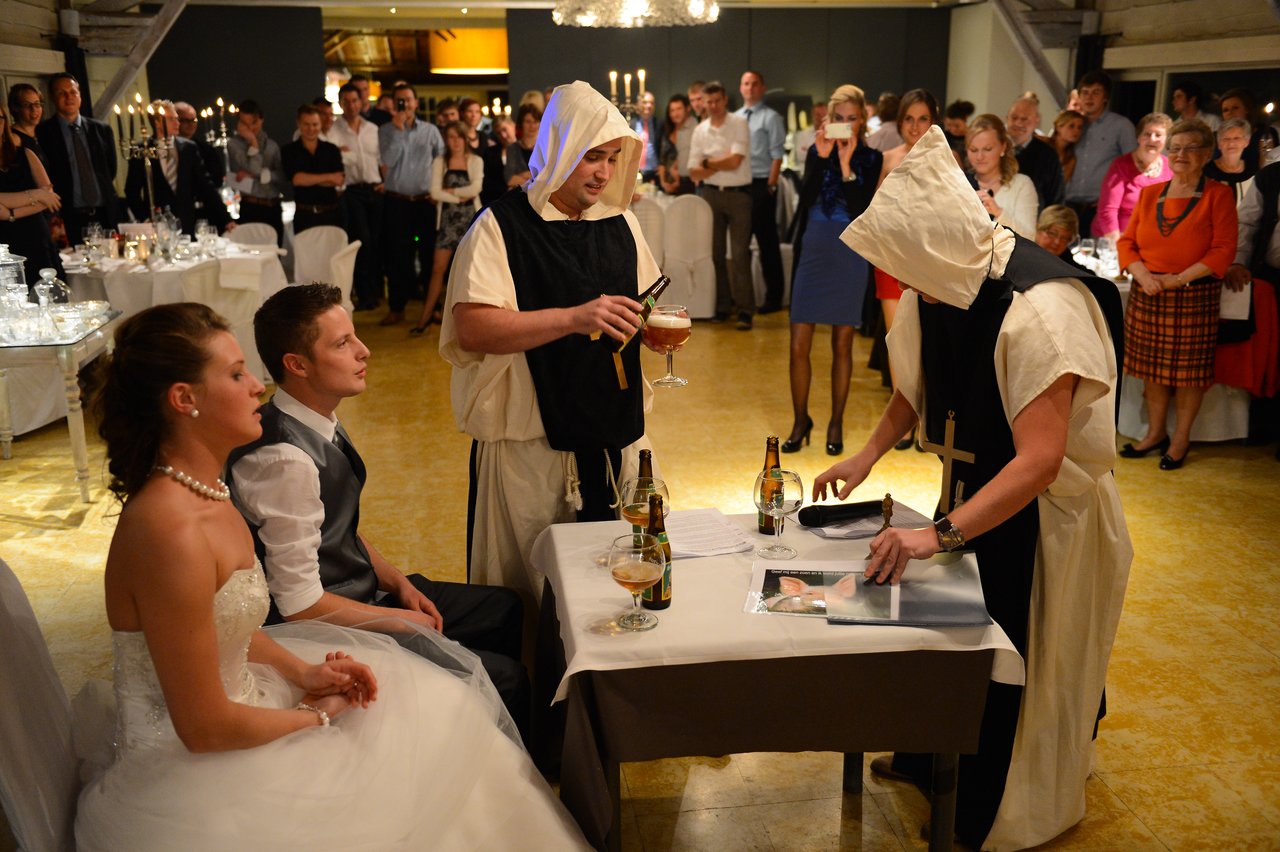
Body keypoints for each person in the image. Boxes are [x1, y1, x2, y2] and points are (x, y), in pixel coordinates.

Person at [75, 302, 587, 851]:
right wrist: (312, 717)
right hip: (198, 769)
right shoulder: (167, 532)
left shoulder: (208, 492)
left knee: (437, 722)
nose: (256, 386)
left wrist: (305, 672)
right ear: (184, 399)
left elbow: (231, 630)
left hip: (249, 703)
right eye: (235, 374)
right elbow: (202, 729)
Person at [815, 125, 1131, 851]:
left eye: (910, 273)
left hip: (1047, 518)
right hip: (975, 491)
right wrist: (865, 457)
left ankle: (999, 808)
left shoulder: (1040, 307)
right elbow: (919, 388)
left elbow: (1041, 461)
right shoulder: (945, 278)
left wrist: (940, 533)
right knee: (953, 639)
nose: (910, 291)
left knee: (1022, 660)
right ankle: (937, 762)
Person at [226, 284, 530, 731]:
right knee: (509, 679)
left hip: (356, 588)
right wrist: (398, 619)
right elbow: (297, 605)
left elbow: (338, 525)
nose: (364, 351)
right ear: (297, 365)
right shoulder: (283, 459)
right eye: (343, 343)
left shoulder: (313, 417)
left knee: (504, 607)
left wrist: (399, 582)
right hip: (316, 628)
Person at [439, 80, 661, 602]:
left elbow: (647, 302)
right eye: (591, 158)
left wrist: (652, 330)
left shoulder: (621, 221)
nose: (604, 172)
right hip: (532, 442)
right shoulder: (500, 226)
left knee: (619, 577)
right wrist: (572, 317)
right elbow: (472, 326)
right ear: (560, 148)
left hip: (615, 430)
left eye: (611, 158)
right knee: (532, 585)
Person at [1118, 119, 1238, 470]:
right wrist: (1142, 273)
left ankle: (1180, 439)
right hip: (1148, 292)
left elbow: (1223, 250)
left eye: (1190, 148)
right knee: (1152, 373)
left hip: (1193, 294)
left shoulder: (1218, 194)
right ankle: (1155, 434)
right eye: (1176, 147)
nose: (1181, 154)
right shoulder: (1150, 193)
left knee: (1189, 377)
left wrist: (1178, 279)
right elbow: (1127, 242)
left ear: (1206, 154)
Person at [783, 85, 881, 457]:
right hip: (814, 246)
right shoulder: (815, 151)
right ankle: (800, 420)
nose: (844, 125)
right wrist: (822, 159)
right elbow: (805, 199)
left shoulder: (871, 158)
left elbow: (863, 208)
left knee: (842, 343)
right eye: (837, 119)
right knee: (798, 342)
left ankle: (836, 421)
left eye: (851, 119)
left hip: (850, 250)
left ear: (862, 121)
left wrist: (844, 165)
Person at [877, 88, 943, 450]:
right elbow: (874, 213)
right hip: (892, 258)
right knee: (896, 341)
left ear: (933, 121)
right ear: (900, 122)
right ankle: (901, 424)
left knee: (928, 340)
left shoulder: (945, 157)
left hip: (930, 259)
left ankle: (928, 421)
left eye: (923, 118)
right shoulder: (888, 159)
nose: (916, 127)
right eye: (909, 119)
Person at [689, 81, 755, 329]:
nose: (713, 106)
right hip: (711, 194)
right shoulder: (700, 130)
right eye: (709, 102)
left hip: (739, 195)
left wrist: (708, 163)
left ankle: (746, 310)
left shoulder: (739, 123)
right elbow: (693, 170)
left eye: (717, 101)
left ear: (725, 99)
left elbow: (736, 161)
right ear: (703, 103)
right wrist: (717, 162)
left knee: (739, 254)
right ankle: (723, 306)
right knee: (715, 253)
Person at [378, 82, 444, 326]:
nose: (404, 104)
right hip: (397, 202)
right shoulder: (385, 130)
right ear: (394, 104)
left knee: (428, 256)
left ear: (416, 102)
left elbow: (442, 161)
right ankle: (397, 308)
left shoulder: (430, 131)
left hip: (425, 201)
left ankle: (433, 307)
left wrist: (438, 189)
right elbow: (387, 160)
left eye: (408, 99)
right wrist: (398, 131)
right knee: (398, 257)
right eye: (399, 100)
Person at [413, 122, 482, 334]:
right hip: (447, 221)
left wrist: (449, 190)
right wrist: (459, 195)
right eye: (450, 137)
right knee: (437, 270)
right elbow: (434, 192)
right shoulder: (440, 161)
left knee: (472, 272)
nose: (455, 141)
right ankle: (424, 318)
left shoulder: (476, 160)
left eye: (459, 137)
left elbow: (476, 189)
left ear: (465, 138)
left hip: (471, 220)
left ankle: (473, 321)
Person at [124, 99, 230, 236]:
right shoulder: (142, 150)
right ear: (157, 122)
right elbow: (131, 190)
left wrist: (226, 219)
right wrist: (145, 218)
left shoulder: (188, 147)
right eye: (172, 119)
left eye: (177, 119)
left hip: (187, 223)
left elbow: (206, 186)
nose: (178, 123)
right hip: (158, 225)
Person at [35, 73, 119, 245]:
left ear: (80, 95)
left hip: (105, 215)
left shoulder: (101, 129)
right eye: (61, 93)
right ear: (52, 97)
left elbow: (110, 170)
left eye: (73, 92)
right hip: (68, 217)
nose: (69, 97)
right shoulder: (43, 133)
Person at [329, 82, 384, 311]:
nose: (351, 106)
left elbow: (382, 159)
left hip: (375, 189)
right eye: (346, 101)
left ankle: (378, 291)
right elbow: (334, 161)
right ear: (340, 104)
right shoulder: (333, 131)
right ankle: (365, 295)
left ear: (361, 102)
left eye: (355, 101)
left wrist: (384, 182)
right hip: (352, 192)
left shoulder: (373, 129)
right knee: (362, 242)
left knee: (378, 241)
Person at [736, 70, 787, 314]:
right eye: (746, 83)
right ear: (740, 88)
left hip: (761, 183)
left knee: (767, 244)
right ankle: (742, 299)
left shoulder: (771, 117)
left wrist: (771, 185)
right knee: (740, 244)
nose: (750, 88)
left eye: (755, 84)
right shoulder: (734, 118)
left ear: (762, 88)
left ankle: (773, 298)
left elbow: (778, 154)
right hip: (739, 184)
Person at [1064, 70, 1137, 236]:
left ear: (1105, 97)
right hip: (1068, 206)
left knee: (1095, 259)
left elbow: (1132, 168)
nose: (1089, 98)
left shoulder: (1121, 125)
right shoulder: (1072, 124)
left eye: (1096, 92)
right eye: (1085, 93)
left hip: (1100, 209)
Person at [0, 102, 63, 285]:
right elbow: (42, 195)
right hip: (2, 242)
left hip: (35, 235)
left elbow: (50, 199)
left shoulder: (25, 154)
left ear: (4, 122)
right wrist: (36, 195)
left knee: (47, 296)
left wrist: (10, 213)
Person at [1093, 112, 1173, 241]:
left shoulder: (1170, 168)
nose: (1152, 139)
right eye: (1147, 134)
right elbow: (1107, 211)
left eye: (1158, 135)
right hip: (1113, 239)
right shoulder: (1121, 165)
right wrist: (1118, 247)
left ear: (1167, 140)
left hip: (1148, 241)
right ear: (1138, 137)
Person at [967, 114, 1039, 240]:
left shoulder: (1021, 185)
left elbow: (1030, 237)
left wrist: (999, 213)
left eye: (987, 149)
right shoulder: (960, 184)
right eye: (973, 150)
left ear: (1003, 147)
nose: (979, 157)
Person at [226, 99, 286, 244]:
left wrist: (259, 176)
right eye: (245, 124)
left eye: (254, 123)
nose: (250, 128)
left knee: (273, 256)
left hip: (273, 206)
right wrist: (253, 141)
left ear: (261, 120)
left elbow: (283, 175)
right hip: (251, 206)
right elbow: (254, 167)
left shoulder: (272, 146)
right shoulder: (234, 145)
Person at [280, 103, 344, 234]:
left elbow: (338, 180)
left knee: (332, 254)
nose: (311, 129)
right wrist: (328, 177)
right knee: (305, 254)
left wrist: (309, 178)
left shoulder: (331, 149)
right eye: (306, 124)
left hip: (331, 214)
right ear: (298, 123)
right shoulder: (289, 151)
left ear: (320, 124)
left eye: (315, 124)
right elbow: (297, 180)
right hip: (304, 215)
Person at [1006, 94, 1065, 211]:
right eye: (1014, 117)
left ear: (1036, 121)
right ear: (1006, 118)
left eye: (1024, 119)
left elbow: (1056, 199)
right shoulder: (995, 149)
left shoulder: (1048, 156)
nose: (1018, 123)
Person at [1219, 88, 1278, 174]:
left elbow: (1268, 166)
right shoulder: (1218, 137)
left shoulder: (1264, 133)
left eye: (1235, 108)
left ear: (1247, 109)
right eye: (1225, 110)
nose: (1230, 113)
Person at [172, 100, 227, 193]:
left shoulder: (206, 149)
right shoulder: (167, 149)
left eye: (193, 120)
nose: (191, 124)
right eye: (185, 120)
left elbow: (217, 180)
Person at [1204, 118, 1254, 203]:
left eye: (1236, 138)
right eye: (1226, 139)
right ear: (1219, 144)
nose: (1231, 143)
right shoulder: (1206, 172)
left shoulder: (1253, 170)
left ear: (1246, 142)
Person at [657, 94, 697, 196]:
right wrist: (663, 183)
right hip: (666, 184)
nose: (675, 113)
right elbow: (662, 160)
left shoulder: (694, 128)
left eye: (679, 109)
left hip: (687, 182)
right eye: (672, 110)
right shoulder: (666, 131)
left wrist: (679, 179)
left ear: (687, 109)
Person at [1035, 204, 1092, 274]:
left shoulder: (1065, 260)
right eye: (1052, 233)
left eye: (1064, 238)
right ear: (1037, 228)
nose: (1057, 242)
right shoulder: (1022, 255)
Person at [503, 103, 541, 191]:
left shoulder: (545, 149)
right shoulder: (512, 148)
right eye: (528, 121)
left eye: (535, 122)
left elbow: (548, 177)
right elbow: (509, 179)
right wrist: (534, 179)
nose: (532, 126)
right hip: (519, 198)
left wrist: (522, 176)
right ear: (521, 123)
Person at [7, 83, 45, 164]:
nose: (34, 109)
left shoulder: (39, 133)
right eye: (26, 105)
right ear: (15, 108)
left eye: (37, 104)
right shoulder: (14, 139)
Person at [631, 91, 661, 183]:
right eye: (645, 102)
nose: (649, 105)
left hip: (655, 174)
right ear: (637, 105)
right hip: (635, 173)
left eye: (651, 103)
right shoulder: (631, 124)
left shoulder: (660, 124)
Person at [1050, 108, 1085, 184]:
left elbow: (1060, 185)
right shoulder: (1042, 143)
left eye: (1079, 128)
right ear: (1058, 127)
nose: (1076, 131)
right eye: (1071, 126)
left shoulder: (1070, 159)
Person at [791, 101, 826, 175]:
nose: (821, 118)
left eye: (824, 115)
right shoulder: (802, 135)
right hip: (807, 175)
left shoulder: (834, 135)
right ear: (813, 115)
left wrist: (810, 152)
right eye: (818, 114)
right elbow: (800, 157)